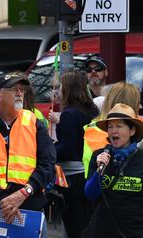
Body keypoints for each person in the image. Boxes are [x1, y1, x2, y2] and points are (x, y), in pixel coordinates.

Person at [0, 72, 56, 238]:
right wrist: (5, 200)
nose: (19, 93)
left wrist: (24, 193)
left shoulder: (33, 122)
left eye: (22, 90)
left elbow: (48, 164)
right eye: (14, 89)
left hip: (31, 205)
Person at [84, 103, 143, 238]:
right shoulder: (100, 156)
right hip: (101, 230)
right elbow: (90, 194)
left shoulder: (140, 159)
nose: (113, 131)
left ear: (132, 130)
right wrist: (100, 171)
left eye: (119, 126)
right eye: (110, 126)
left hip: (134, 231)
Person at [54, 70, 99, 238]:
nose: (58, 90)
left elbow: (67, 149)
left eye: (60, 86)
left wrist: (50, 149)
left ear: (68, 89)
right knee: (86, 224)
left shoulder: (69, 114)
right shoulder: (91, 110)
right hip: (89, 171)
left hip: (72, 176)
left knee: (73, 226)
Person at [82, 82, 142, 177]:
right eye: (137, 103)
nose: (140, 107)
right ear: (127, 105)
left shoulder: (93, 127)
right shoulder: (110, 133)